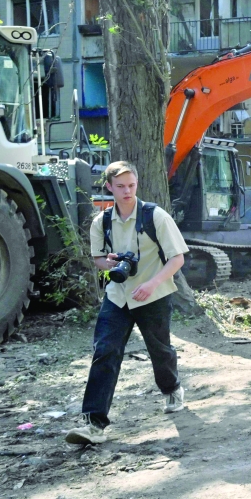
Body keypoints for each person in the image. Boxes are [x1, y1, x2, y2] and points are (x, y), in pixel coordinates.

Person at [66, 161, 191, 445]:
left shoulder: (155, 216)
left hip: (154, 293)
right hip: (118, 295)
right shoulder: (102, 221)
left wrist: (152, 283)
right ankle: (93, 423)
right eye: (120, 186)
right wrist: (107, 263)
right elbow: (98, 259)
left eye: (132, 186)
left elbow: (177, 258)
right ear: (108, 186)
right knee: (105, 350)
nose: (127, 192)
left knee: (159, 349)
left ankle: (172, 389)